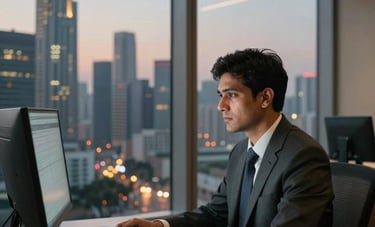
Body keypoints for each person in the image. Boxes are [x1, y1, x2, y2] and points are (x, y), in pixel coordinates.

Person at [116, 48, 334, 227]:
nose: (221, 106)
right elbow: (216, 214)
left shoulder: (302, 156)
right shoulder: (241, 152)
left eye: (232, 95)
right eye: (221, 96)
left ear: (265, 98)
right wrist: (159, 226)